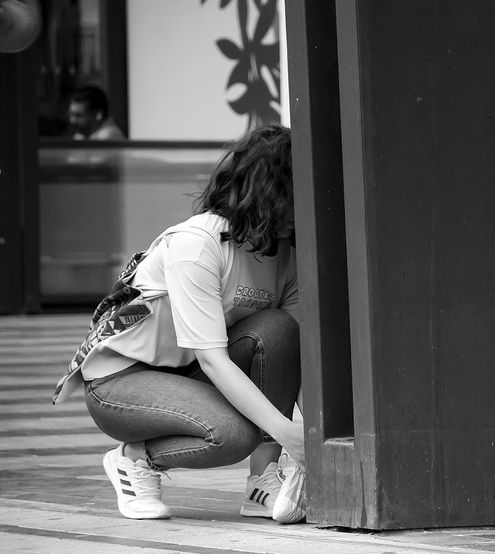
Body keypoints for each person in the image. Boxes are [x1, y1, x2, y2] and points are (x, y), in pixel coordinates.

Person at [52, 124, 306, 524]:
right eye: (297, 195)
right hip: (122, 382)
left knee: (277, 329)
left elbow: (291, 355)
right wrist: (289, 433)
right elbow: (213, 361)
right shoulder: (197, 245)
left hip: (186, 373)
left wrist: (304, 436)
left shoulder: (285, 252)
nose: (305, 208)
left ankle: (262, 483)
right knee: (232, 435)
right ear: (270, 192)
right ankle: (132, 459)